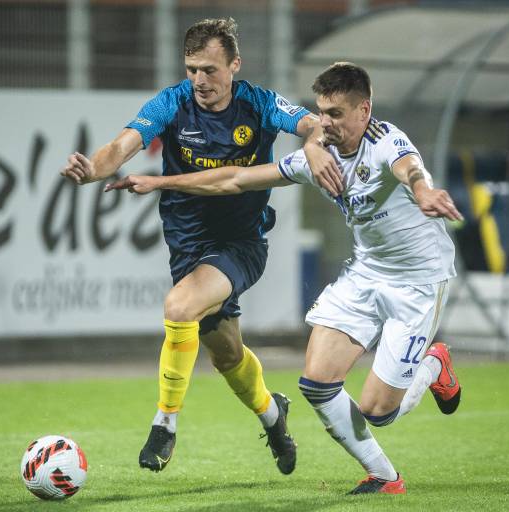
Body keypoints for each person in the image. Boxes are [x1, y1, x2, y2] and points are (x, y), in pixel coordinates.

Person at [106, 62, 465, 495]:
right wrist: (160, 182)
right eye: (321, 112)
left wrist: (424, 191)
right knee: (317, 384)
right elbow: (235, 179)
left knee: (377, 411)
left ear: (364, 110)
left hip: (418, 281)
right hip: (367, 273)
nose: (324, 124)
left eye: (335, 114)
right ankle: (385, 477)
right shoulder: (320, 157)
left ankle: (433, 367)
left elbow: (411, 169)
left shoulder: (386, 141)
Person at [61, 18, 341, 475]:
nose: (199, 80)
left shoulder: (260, 103)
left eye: (209, 69)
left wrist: (313, 143)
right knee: (227, 355)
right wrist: (92, 169)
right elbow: (121, 146)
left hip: (241, 244)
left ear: (234, 65)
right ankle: (273, 415)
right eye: (191, 69)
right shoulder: (172, 103)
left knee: (179, 306)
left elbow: (313, 124)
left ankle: (164, 424)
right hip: (188, 247)